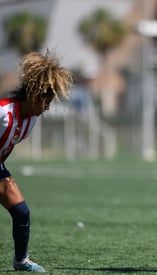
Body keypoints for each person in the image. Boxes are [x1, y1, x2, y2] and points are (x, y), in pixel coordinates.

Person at [0, 51, 73, 272]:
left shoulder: (29, 122)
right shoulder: (3, 113)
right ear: (34, 95)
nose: (48, 107)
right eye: (46, 101)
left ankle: (21, 262)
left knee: (22, 211)